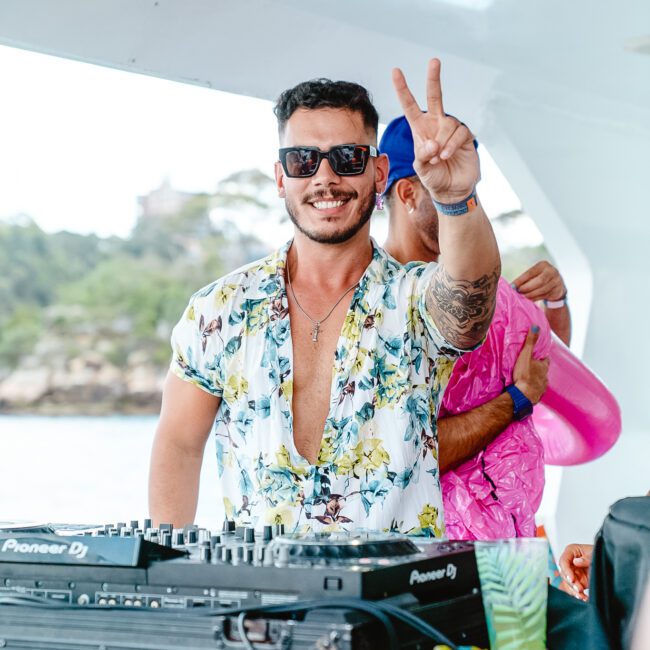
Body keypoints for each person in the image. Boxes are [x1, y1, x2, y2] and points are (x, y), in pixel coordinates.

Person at [149, 59, 501, 535]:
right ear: (281, 178)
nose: (325, 177)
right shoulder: (220, 310)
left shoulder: (413, 298)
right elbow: (179, 443)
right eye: (303, 160)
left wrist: (456, 200)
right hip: (260, 602)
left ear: (378, 174)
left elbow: (468, 304)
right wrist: (168, 573)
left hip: (395, 603)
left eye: (348, 158)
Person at [380, 115, 568, 538]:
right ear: (408, 192)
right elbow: (409, 452)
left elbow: (543, 371)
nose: (466, 201)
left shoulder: (485, 289)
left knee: (533, 608)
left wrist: (557, 300)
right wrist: (515, 400)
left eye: (469, 186)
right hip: (435, 556)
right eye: (446, 185)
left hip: (512, 546)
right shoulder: (379, 304)